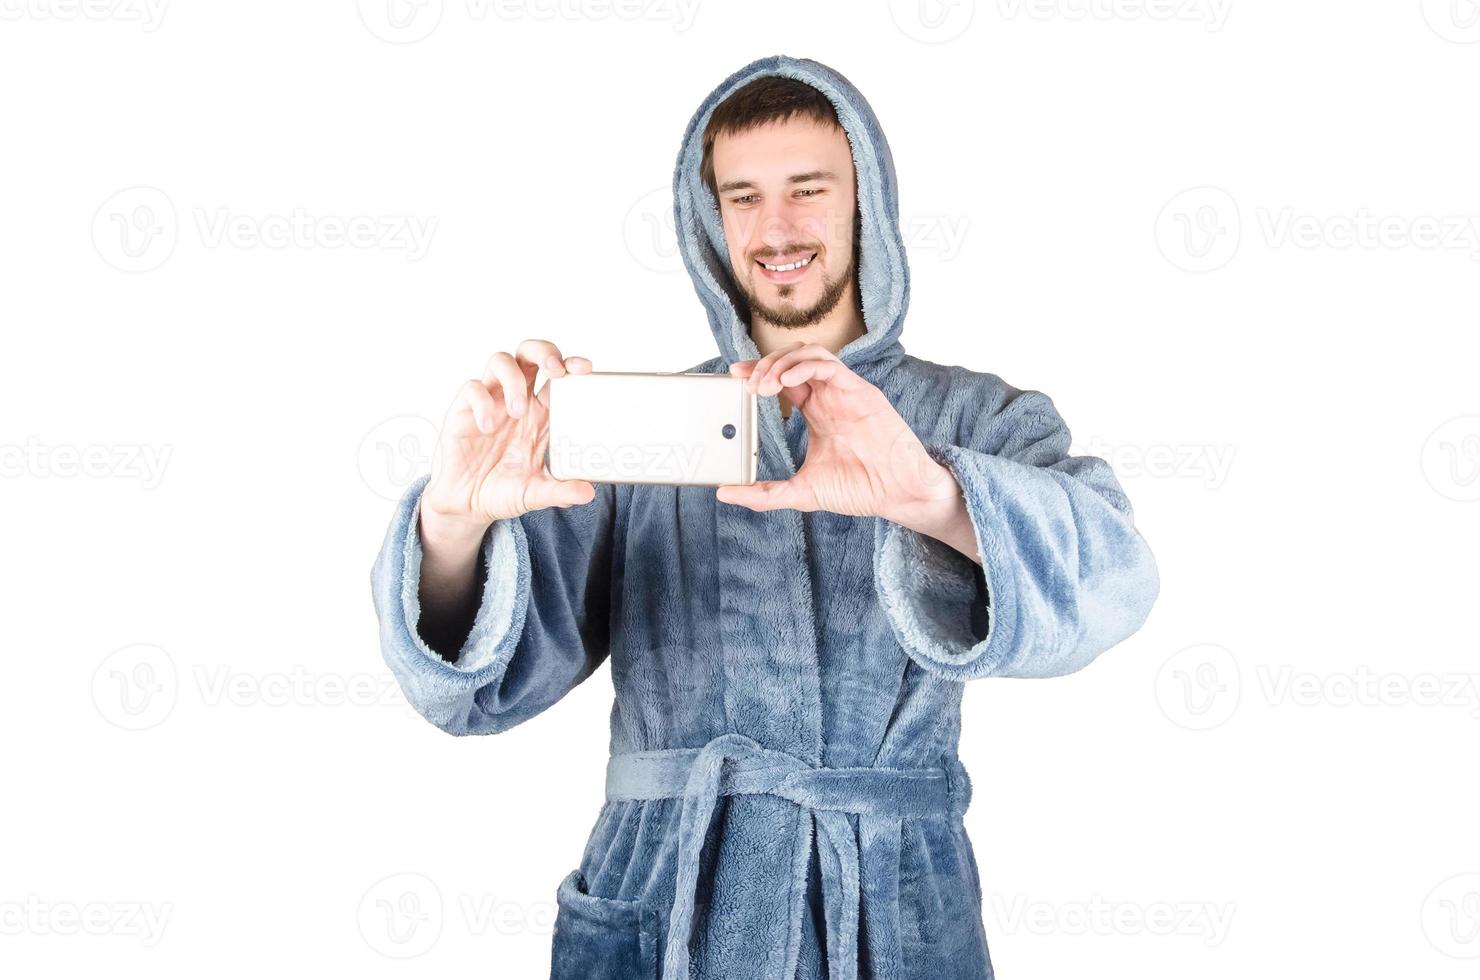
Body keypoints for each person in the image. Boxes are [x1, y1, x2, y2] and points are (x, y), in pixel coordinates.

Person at [370, 54, 1160, 980]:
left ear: (867, 203)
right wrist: (454, 527)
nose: (775, 228)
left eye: (807, 189)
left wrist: (930, 495)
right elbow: (471, 691)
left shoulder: (973, 420)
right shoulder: (638, 435)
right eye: (741, 197)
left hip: (889, 911)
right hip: (664, 901)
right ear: (710, 219)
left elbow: (1119, 580)